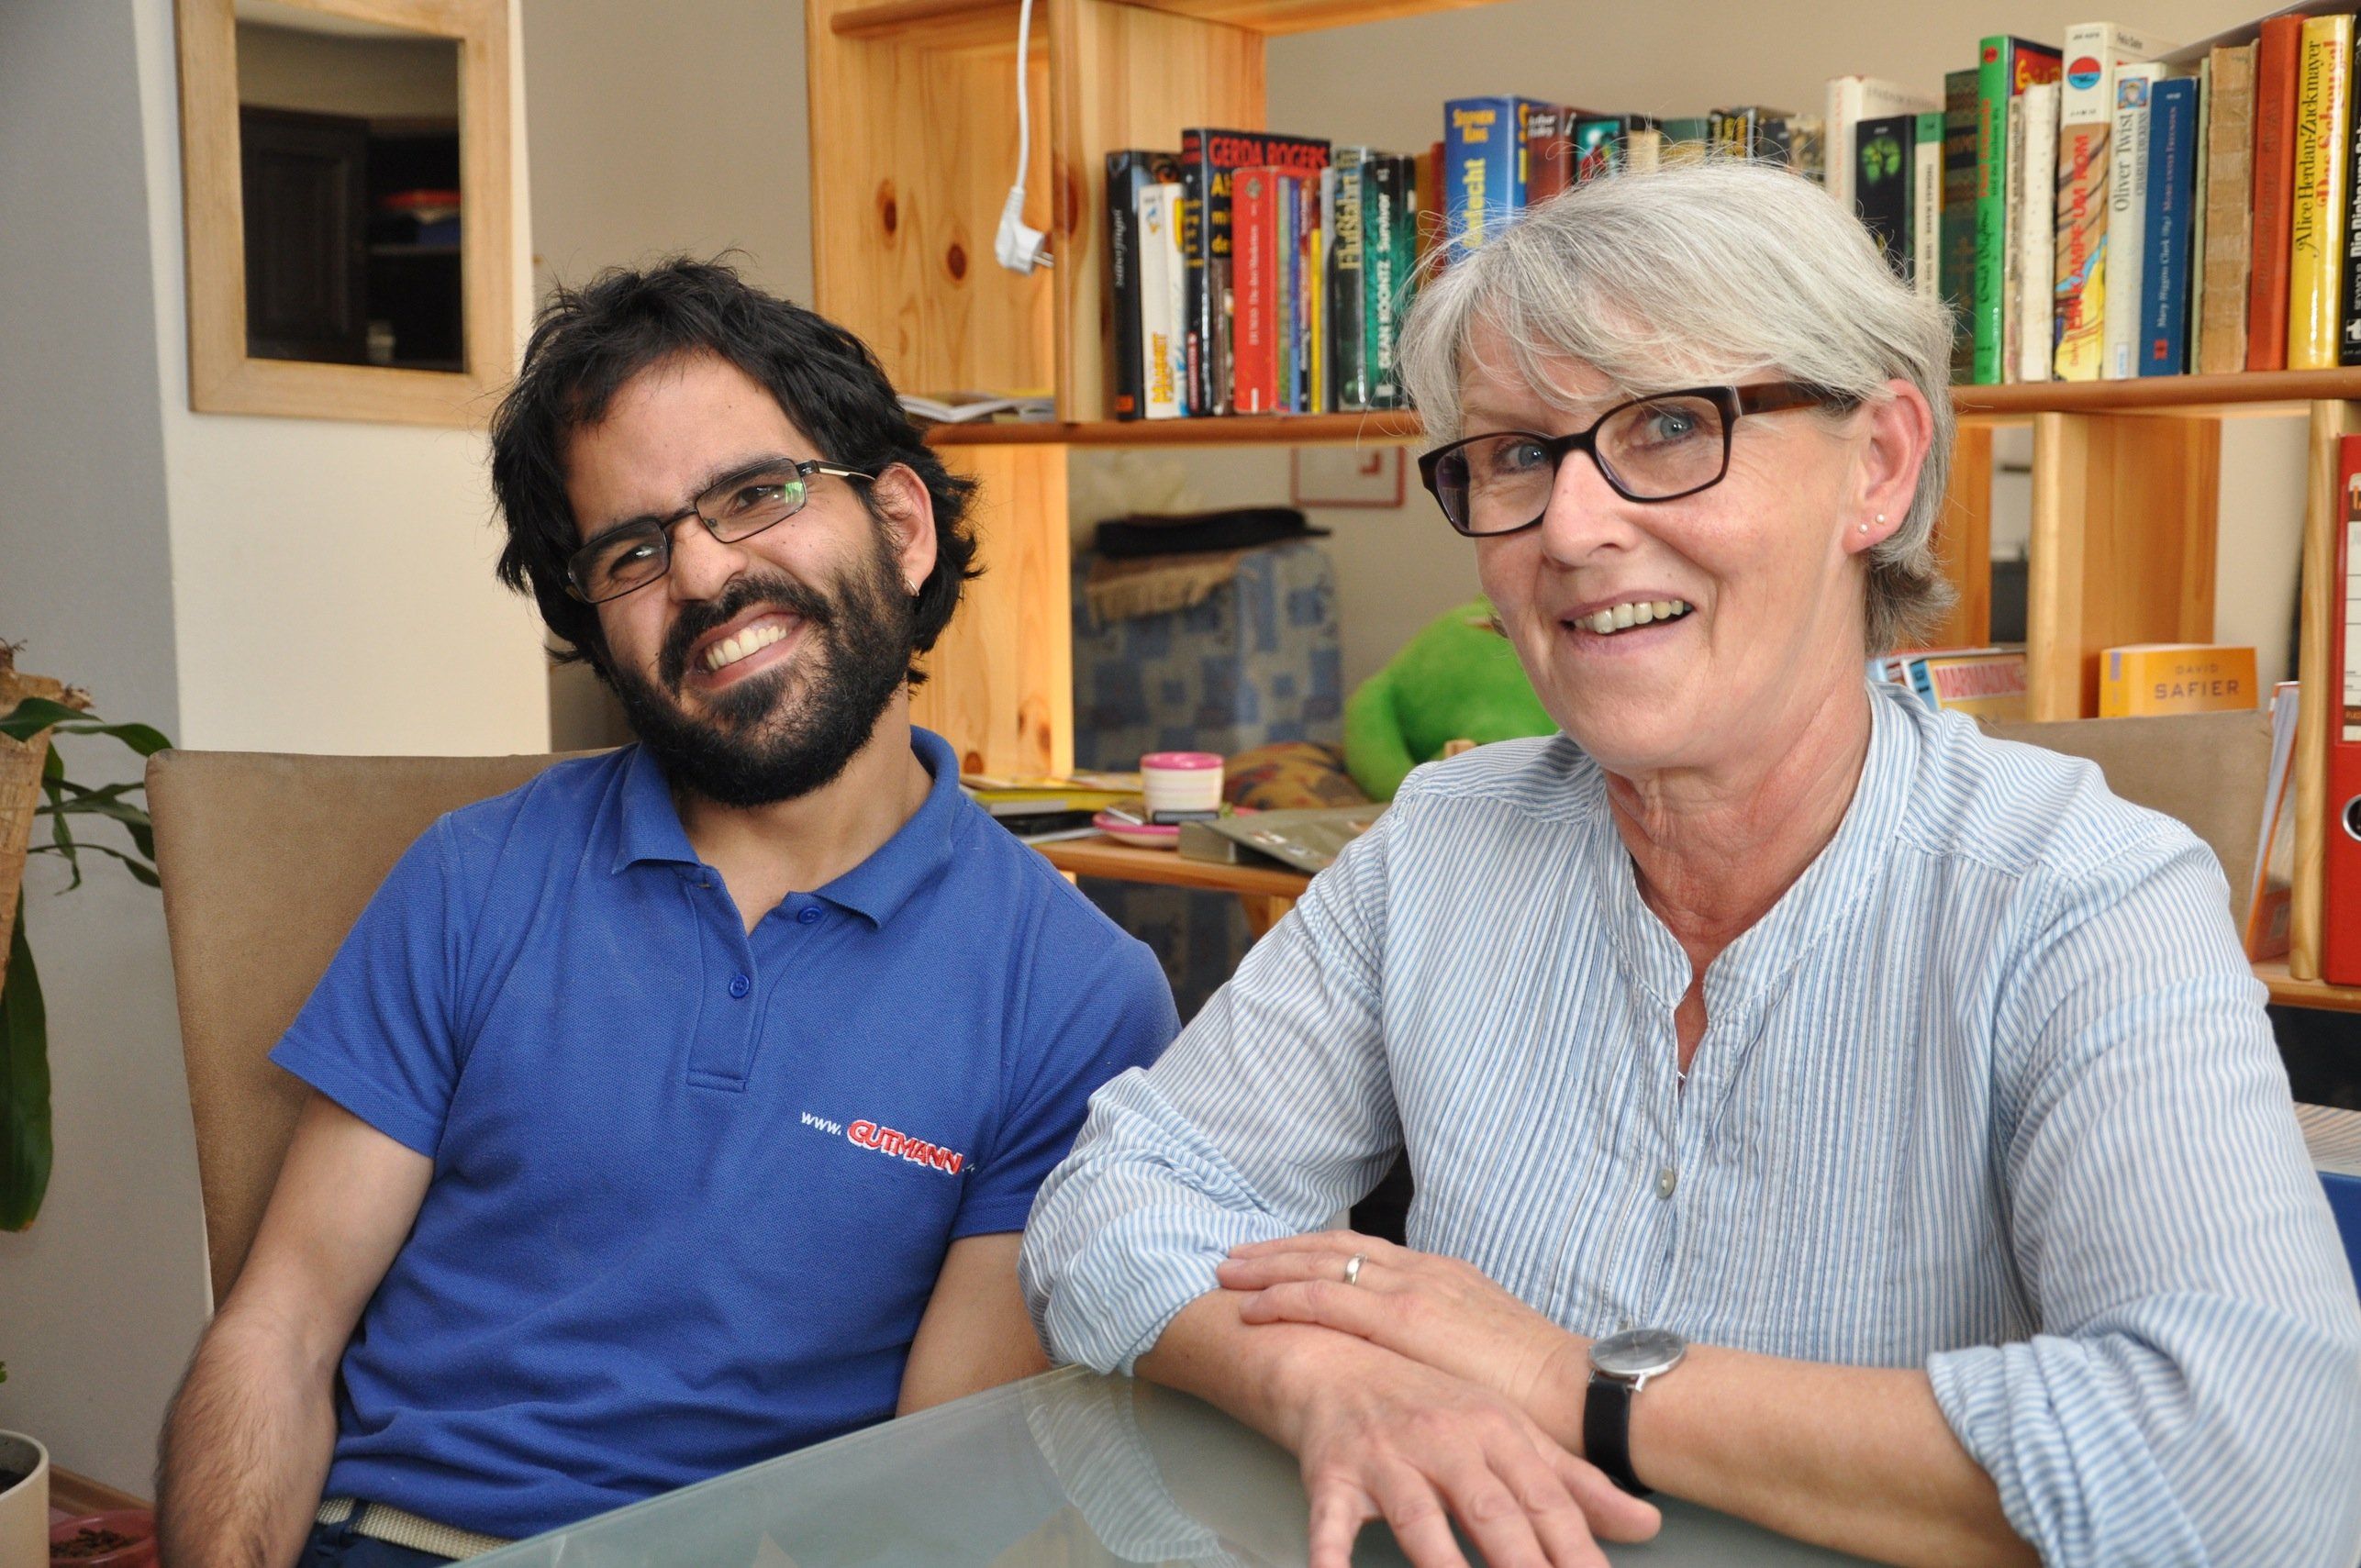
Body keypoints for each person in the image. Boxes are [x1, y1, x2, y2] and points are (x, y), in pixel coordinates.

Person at [1021, 161, 2361, 1568]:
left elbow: (2263, 1475)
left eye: (1669, 425)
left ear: (1877, 465)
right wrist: (1323, 1379)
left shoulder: (2080, 888)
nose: (1570, 528)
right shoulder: (1437, 845)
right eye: (1514, 454)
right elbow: (1112, 1202)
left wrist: (1566, 1380)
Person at [157, 260, 1178, 1568]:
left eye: (756, 493)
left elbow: (938, 1488)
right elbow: (282, 1329)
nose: (701, 572)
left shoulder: (1076, 994)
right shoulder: (473, 877)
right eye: (632, 550)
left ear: (902, 526)